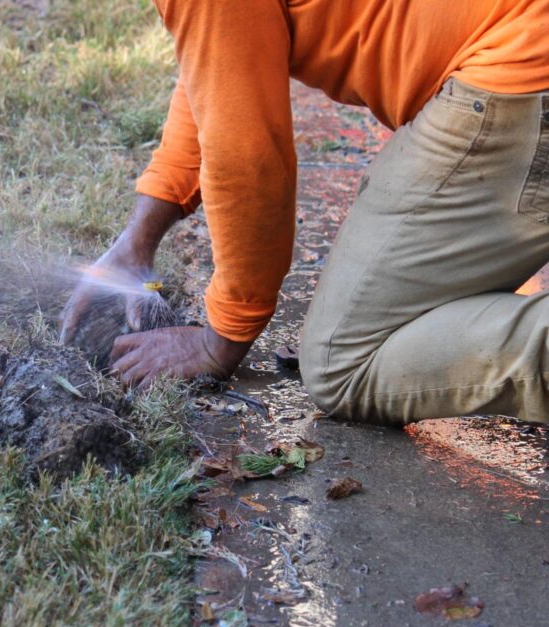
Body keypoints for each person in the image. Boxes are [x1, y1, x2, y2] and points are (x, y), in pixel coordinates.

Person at [60, 0, 549, 424]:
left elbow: (249, 162)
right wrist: (138, 240)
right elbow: (220, 62)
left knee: (344, 363)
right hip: (521, 42)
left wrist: (222, 337)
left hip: (521, 66)